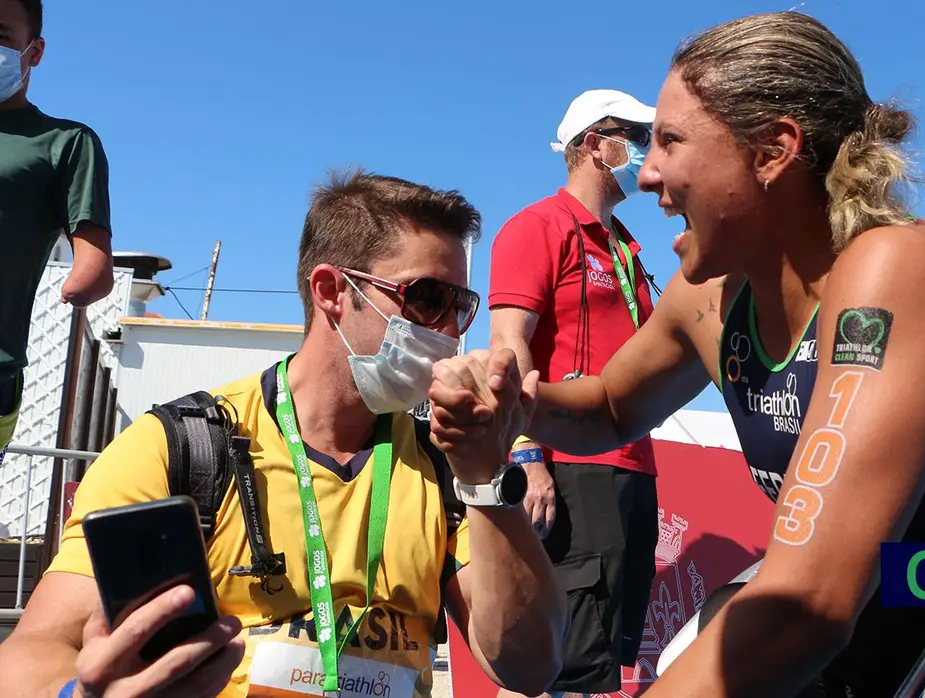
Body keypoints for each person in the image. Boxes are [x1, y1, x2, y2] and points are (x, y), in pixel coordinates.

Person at [428, 11, 925, 698]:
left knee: (759, 617)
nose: (647, 174)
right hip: (909, 591)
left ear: (773, 152)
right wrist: (515, 405)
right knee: (728, 620)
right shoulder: (707, 295)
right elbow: (611, 407)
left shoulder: (897, 267)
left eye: (672, 143)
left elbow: (809, 602)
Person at [0, 171, 568, 698]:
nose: (447, 330)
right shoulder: (182, 446)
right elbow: (31, 654)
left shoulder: (445, 465)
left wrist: (485, 478)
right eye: (426, 298)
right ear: (331, 291)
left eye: (461, 305)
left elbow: (528, 665)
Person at [487, 88, 661, 698]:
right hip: (569, 464)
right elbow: (508, 347)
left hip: (631, 463)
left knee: (597, 665)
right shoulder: (538, 226)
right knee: (556, 662)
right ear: (594, 144)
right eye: (634, 138)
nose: (646, 151)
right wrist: (528, 455)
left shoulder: (626, 247)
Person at [0, 0, 116, 457]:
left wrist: (86, 274)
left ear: (34, 51)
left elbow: (94, 258)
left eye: (1, 36)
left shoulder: (66, 143)